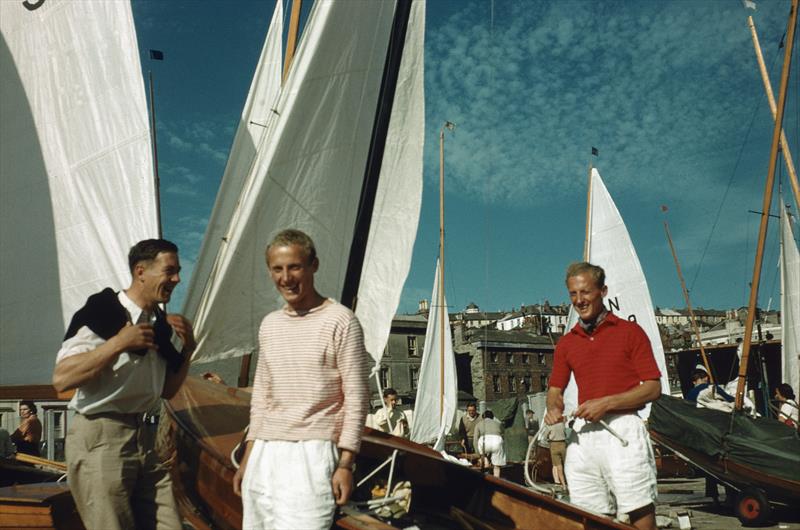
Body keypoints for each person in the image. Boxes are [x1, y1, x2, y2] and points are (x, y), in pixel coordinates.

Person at [52, 239, 195, 530]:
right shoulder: (103, 309)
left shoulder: (160, 326)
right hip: (100, 437)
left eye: (178, 271)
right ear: (141, 271)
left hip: (144, 438)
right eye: (170, 271)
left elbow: (167, 390)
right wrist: (119, 343)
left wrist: (189, 348)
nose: (177, 279)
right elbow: (62, 379)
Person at [232, 229, 370, 530]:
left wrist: (346, 463)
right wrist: (248, 457)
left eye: (294, 267)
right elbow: (262, 397)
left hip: (313, 452)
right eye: (277, 269)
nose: (286, 278)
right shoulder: (270, 325)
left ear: (313, 266)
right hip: (264, 453)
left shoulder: (341, 320)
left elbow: (357, 398)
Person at [545, 262, 662, 530]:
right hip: (584, 436)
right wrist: (553, 408)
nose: (579, 300)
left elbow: (653, 387)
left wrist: (607, 402)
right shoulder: (566, 342)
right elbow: (555, 390)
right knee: (590, 515)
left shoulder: (630, 332)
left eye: (585, 292)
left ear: (603, 291)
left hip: (623, 430)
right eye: (573, 294)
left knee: (638, 507)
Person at [474, 410, 505, 477]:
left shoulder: (479, 424)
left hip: (485, 441)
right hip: (497, 441)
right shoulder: (498, 423)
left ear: (483, 417)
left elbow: (475, 439)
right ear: (492, 417)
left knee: (482, 450)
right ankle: (497, 481)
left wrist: (479, 454)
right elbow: (503, 434)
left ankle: (485, 461)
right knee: (497, 466)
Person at [546, 418, 567, 490]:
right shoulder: (562, 424)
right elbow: (565, 433)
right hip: (562, 444)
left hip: (554, 444)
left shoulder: (550, 425)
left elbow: (546, 434)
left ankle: (563, 485)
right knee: (566, 464)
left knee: (558, 466)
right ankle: (569, 482)